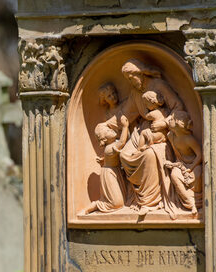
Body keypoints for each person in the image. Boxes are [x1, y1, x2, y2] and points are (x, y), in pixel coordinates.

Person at [117, 59, 185, 216]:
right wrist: (107, 126)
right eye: (127, 80)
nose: (130, 82)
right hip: (144, 130)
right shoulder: (135, 93)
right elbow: (126, 114)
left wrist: (165, 124)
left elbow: (178, 107)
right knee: (124, 154)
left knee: (148, 154)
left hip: (163, 132)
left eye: (130, 78)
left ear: (139, 74)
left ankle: (149, 202)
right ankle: (136, 198)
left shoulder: (159, 86)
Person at [81, 119, 129, 214]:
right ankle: (95, 205)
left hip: (115, 171)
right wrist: (125, 127)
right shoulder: (109, 148)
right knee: (116, 203)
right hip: (109, 175)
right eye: (107, 130)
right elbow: (122, 142)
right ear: (104, 138)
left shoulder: (111, 145)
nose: (111, 130)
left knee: (121, 201)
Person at [164, 110, 202, 214]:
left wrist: (192, 167)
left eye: (172, 119)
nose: (168, 120)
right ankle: (190, 203)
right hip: (181, 164)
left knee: (198, 174)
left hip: (193, 165)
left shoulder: (189, 139)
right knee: (174, 175)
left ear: (178, 124)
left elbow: (200, 155)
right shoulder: (171, 136)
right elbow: (166, 120)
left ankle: (197, 199)